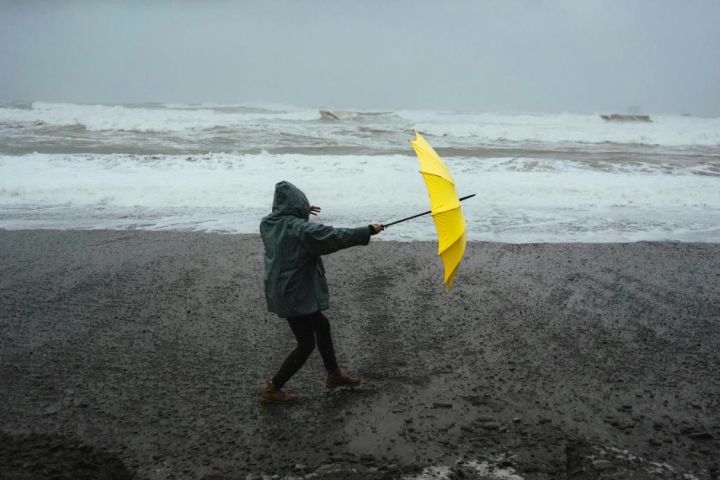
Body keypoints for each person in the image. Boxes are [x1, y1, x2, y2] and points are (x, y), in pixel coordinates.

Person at [259, 181, 384, 403]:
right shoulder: (299, 229)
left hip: (284, 288)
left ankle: (333, 374)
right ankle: (273, 388)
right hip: (294, 294)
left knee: (321, 325)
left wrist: (300, 211)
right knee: (306, 344)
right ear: (295, 206)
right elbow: (333, 237)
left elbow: (287, 220)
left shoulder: (268, 224)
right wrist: (367, 231)